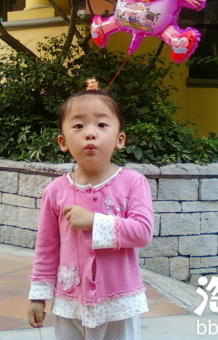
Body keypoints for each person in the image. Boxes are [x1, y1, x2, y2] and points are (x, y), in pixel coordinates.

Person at [27, 82, 154, 339]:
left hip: (118, 304)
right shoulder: (55, 191)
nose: (90, 133)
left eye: (102, 124)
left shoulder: (133, 183)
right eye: (78, 126)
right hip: (70, 303)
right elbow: (47, 247)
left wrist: (95, 221)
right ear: (62, 142)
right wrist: (38, 295)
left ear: (120, 139)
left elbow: (143, 232)